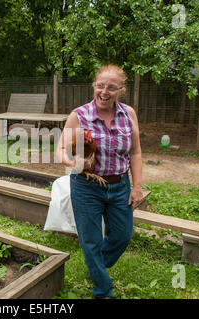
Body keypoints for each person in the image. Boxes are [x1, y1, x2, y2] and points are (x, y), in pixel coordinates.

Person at [56, 64, 143, 299]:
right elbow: (62, 149)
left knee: (122, 235)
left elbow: (135, 152)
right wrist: (73, 162)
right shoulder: (79, 115)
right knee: (91, 240)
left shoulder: (128, 114)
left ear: (121, 90)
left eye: (112, 87)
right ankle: (103, 289)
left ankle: (96, 267)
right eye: (100, 85)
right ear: (94, 86)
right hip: (86, 186)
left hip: (119, 184)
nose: (105, 91)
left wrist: (137, 186)